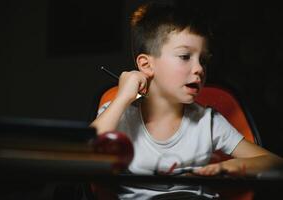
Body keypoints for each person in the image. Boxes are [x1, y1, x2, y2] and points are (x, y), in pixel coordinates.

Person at [90, 1, 283, 199]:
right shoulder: (120, 115)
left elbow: (275, 163)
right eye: (185, 56)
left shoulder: (207, 122)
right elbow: (85, 154)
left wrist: (229, 166)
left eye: (204, 60)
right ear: (146, 65)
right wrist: (123, 97)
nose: (199, 68)